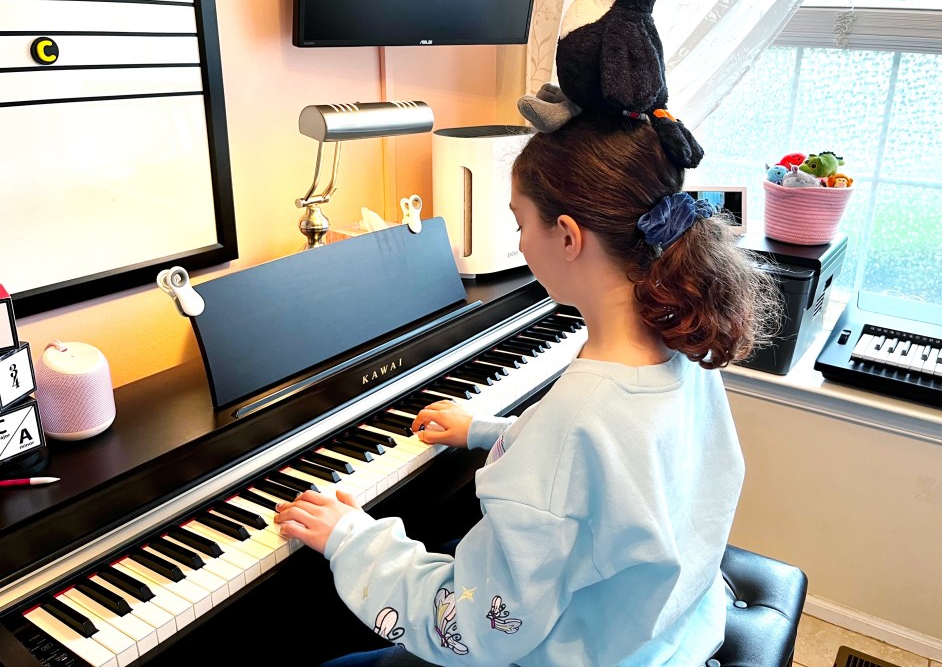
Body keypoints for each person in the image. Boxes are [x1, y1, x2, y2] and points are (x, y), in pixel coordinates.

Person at [275, 112, 780, 666]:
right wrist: (489, 430)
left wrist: (353, 539)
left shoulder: (579, 420)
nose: (518, 242)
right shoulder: (681, 343)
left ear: (567, 236)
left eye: (519, 223)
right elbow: (617, 466)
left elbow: (469, 630)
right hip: (668, 629)